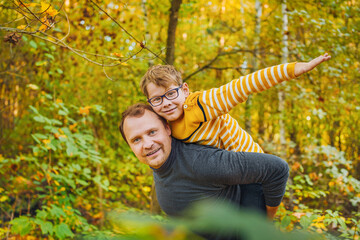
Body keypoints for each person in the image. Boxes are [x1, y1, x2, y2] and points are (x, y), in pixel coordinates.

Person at [119, 104, 290, 224]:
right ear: (130, 146)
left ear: (167, 129)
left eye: (152, 132)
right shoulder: (162, 165)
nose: (147, 143)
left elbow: (277, 169)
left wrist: (263, 225)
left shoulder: (201, 162)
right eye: (136, 139)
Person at [140, 53, 331, 153]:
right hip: (224, 174)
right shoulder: (160, 123)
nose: (165, 103)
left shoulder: (200, 104)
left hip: (251, 162)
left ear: (185, 90)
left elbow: (245, 84)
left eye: (171, 94)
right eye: (157, 99)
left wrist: (295, 69)